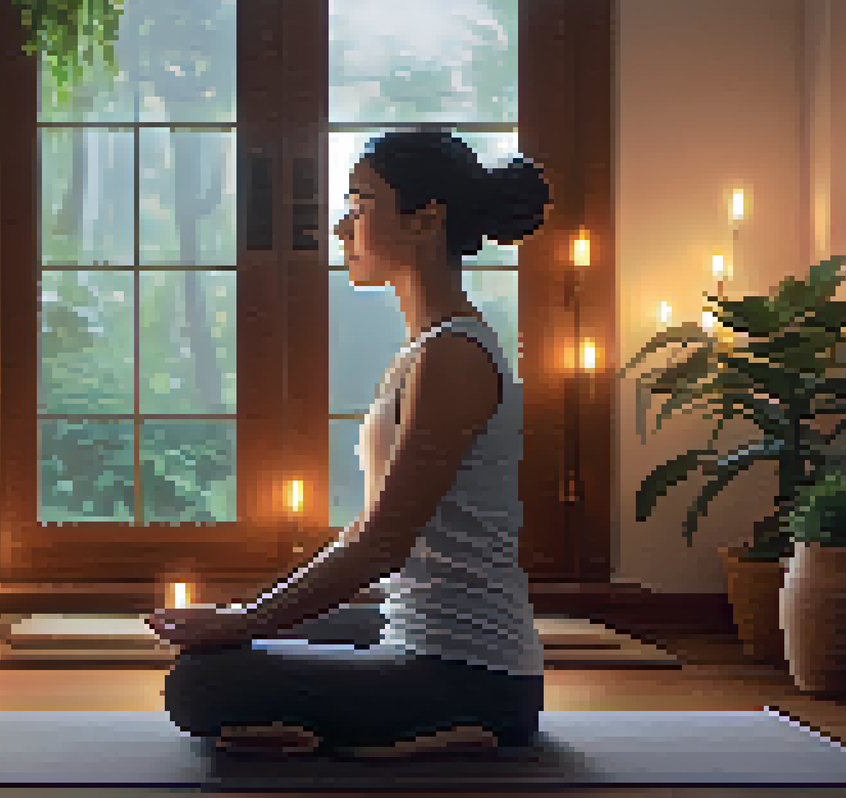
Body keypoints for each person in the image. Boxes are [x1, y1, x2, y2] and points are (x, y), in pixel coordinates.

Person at [151, 129, 553, 758]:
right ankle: (368, 721)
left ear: (426, 220)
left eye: (361, 204)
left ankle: (455, 724)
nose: (342, 227)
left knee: (203, 685)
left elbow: (383, 543)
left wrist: (249, 617)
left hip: (475, 669)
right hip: (417, 625)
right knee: (230, 648)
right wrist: (246, 621)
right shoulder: (431, 348)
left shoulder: (452, 357)